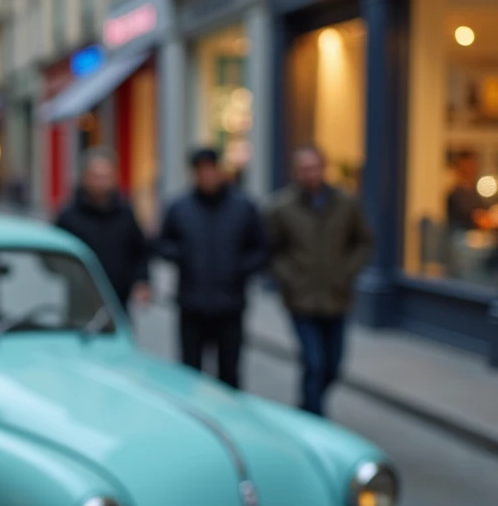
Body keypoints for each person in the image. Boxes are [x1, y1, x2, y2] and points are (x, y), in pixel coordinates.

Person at [266, 145, 374, 417]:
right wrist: (290, 278)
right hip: (300, 300)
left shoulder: (345, 204)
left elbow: (363, 242)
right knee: (313, 362)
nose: (310, 174)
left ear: (324, 168)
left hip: (336, 298)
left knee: (332, 366)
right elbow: (271, 250)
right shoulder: (281, 208)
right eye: (304, 169)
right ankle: (316, 420)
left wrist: (346, 272)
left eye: (314, 168)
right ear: (295, 172)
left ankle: (306, 406)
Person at [157, 148, 269, 388]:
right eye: (200, 171)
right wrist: (183, 256)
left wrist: (239, 268)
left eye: (210, 170)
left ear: (220, 171)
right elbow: (162, 244)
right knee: (189, 372)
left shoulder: (243, 207)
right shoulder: (179, 207)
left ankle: (229, 418)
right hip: (192, 304)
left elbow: (261, 249)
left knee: (229, 372)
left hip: (230, 304)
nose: (206, 176)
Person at [56, 148, 151, 314]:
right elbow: (55, 255)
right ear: (85, 178)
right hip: (81, 300)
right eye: (96, 177)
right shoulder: (69, 216)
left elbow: (140, 250)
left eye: (106, 177)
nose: (101, 183)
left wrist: (141, 281)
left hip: (119, 298)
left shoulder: (125, 213)